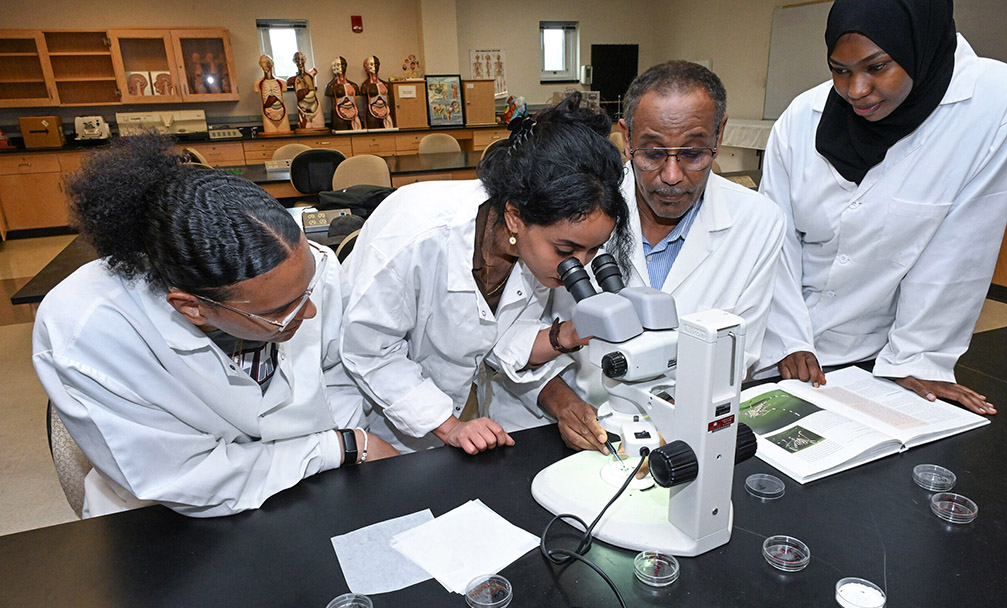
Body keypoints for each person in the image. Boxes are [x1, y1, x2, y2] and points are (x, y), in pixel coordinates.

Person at [33, 135, 397, 518]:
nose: (308, 313)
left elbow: (336, 375)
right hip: (168, 515)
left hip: (308, 481)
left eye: (308, 290)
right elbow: (185, 477)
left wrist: (338, 453)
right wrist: (338, 447)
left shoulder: (307, 268)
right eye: (283, 310)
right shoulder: (89, 331)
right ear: (191, 308)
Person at [491, 63, 787, 452]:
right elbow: (507, 337)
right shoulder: (578, 206)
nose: (672, 174)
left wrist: (672, 414)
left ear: (720, 133)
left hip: (679, 430)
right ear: (626, 137)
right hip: (549, 421)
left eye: (694, 153)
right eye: (652, 153)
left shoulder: (759, 222)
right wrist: (564, 405)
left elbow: (736, 353)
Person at [755, 0, 1007, 415]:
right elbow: (775, 239)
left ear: (919, 46)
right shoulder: (801, 117)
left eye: (877, 67)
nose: (856, 90)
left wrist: (918, 356)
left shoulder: (997, 104)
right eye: (839, 70)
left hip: (875, 352)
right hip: (782, 341)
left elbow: (962, 243)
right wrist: (787, 337)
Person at [341, 95, 630, 454]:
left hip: (453, 412)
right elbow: (369, 350)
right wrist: (449, 427)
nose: (579, 265)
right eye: (566, 251)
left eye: (592, 251)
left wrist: (568, 335)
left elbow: (497, 340)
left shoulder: (530, 249)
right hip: (367, 412)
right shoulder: (417, 230)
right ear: (514, 216)